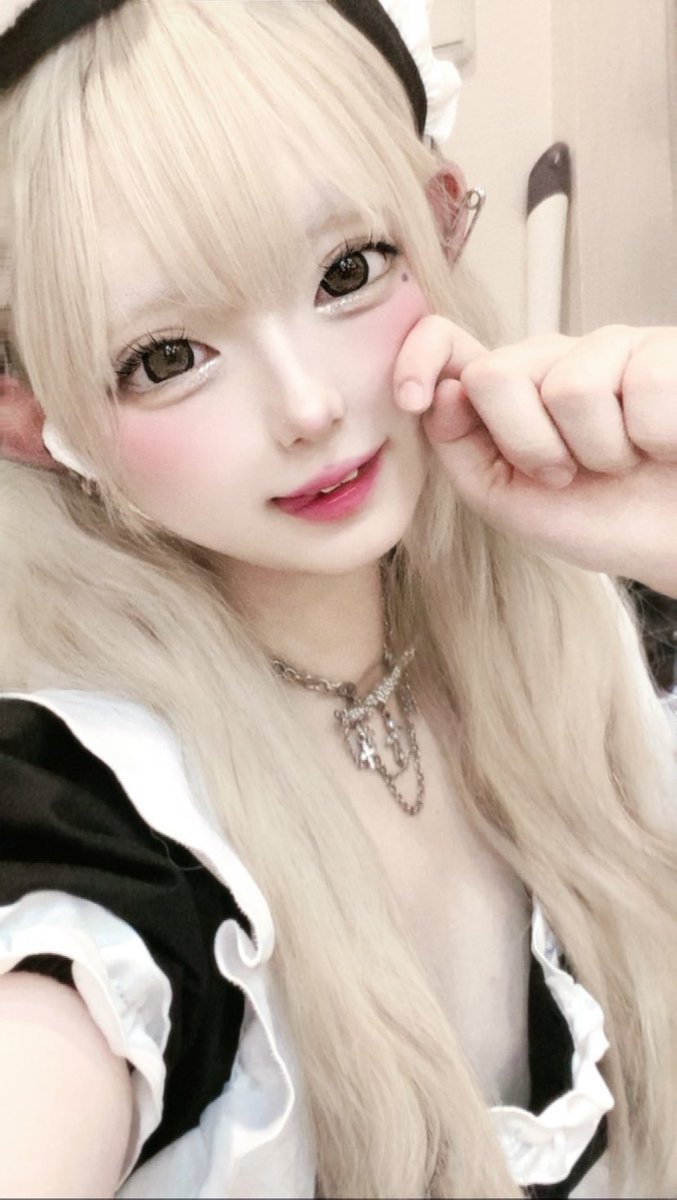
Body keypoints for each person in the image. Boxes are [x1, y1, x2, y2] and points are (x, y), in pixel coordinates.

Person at [0, 1, 676, 1196]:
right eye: (167, 357)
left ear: (440, 216)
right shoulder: (93, 828)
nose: (306, 406)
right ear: (32, 419)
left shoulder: (583, 631)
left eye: (347, 271)